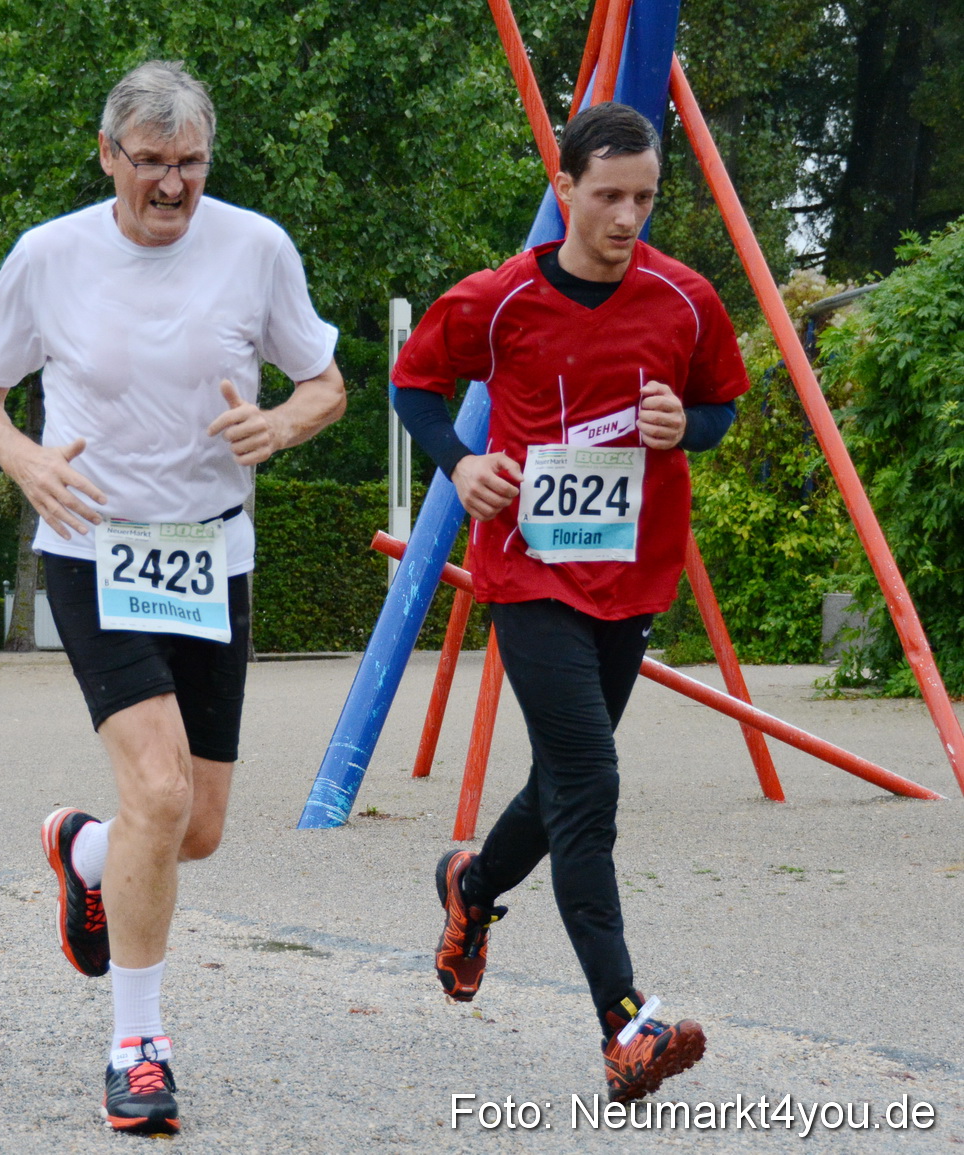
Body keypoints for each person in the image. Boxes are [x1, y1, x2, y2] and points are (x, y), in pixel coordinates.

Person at [0, 60, 346, 1135]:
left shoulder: (256, 247)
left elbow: (324, 380)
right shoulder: (50, 256)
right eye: (151, 164)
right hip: (94, 549)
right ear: (107, 154)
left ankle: (81, 849)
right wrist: (28, 463)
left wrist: (285, 424)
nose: (171, 186)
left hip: (212, 557)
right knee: (161, 793)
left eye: (190, 163)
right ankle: (138, 1045)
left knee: (195, 827)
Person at [393, 102, 747, 1103]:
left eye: (644, 197)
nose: (626, 216)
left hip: (631, 576)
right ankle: (623, 1024)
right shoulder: (498, 299)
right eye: (607, 196)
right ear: (564, 190)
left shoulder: (684, 300)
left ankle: (471, 889)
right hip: (528, 569)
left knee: (560, 784)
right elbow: (413, 383)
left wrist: (690, 427)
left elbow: (721, 403)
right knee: (588, 780)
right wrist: (459, 467)